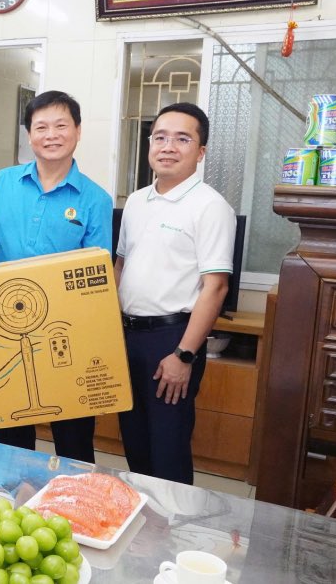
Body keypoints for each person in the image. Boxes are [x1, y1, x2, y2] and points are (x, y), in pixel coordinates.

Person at [0, 90, 112, 462]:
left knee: (73, 437)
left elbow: (97, 274)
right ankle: (12, 504)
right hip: (4, 327)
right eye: (41, 127)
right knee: (11, 432)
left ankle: (73, 508)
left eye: (61, 125)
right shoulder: (3, 181)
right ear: (30, 134)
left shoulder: (96, 199)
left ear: (78, 131)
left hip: (66, 334)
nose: (51, 134)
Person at [116, 102, 235, 484]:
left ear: (200, 153)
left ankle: (174, 533)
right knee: (134, 442)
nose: (168, 146)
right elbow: (121, 267)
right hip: (127, 336)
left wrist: (184, 355)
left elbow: (216, 287)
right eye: (160, 137)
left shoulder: (211, 207)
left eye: (182, 139)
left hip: (172, 340)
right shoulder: (135, 201)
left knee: (167, 449)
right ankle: (143, 530)